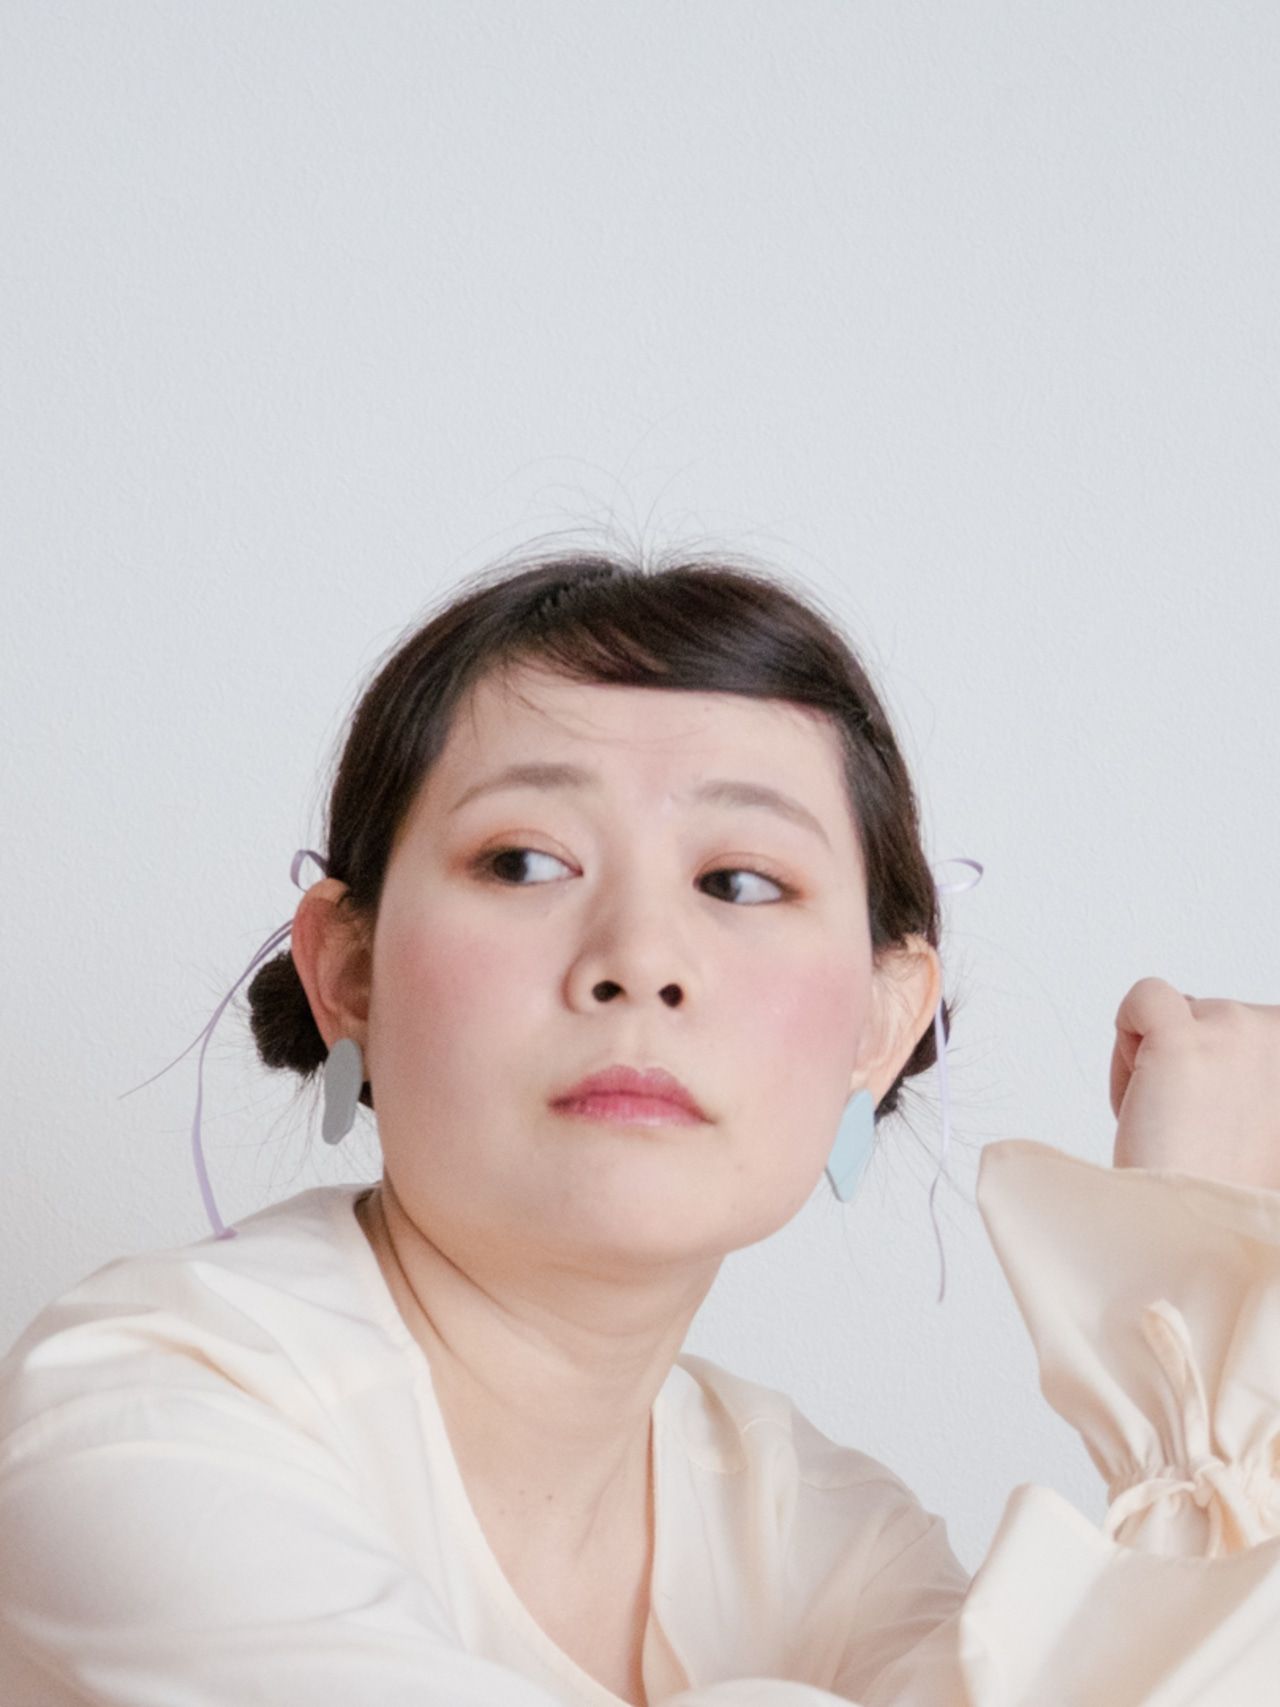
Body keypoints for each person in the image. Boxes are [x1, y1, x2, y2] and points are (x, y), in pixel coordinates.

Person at [1, 546, 1278, 1706]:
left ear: (880, 1026)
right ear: (348, 973)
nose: (640, 960)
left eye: (739, 881)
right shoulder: (138, 1411)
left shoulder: (824, 1538)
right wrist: (1198, 1298)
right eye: (524, 862)